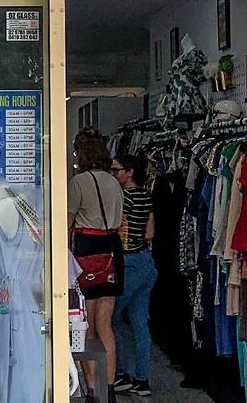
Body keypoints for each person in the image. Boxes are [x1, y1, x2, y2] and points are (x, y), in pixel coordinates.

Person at [68, 128, 125, 399]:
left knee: (85, 325)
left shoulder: (79, 182)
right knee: (105, 324)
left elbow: (67, 222)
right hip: (112, 250)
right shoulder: (114, 182)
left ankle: (92, 388)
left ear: (82, 154)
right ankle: (109, 387)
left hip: (87, 251)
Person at [109, 154, 156, 397]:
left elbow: (118, 229)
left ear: (129, 172)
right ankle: (142, 379)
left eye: (116, 170)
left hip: (127, 262)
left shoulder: (124, 197)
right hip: (145, 261)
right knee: (140, 324)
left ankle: (121, 373)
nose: (113, 174)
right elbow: (150, 233)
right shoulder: (147, 196)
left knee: (111, 320)